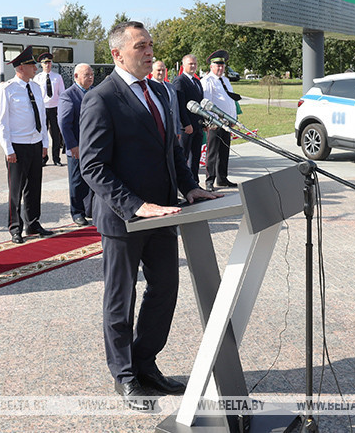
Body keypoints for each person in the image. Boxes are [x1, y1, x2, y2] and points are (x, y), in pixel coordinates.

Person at [80, 21, 219, 410]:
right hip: (124, 217)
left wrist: (189, 184)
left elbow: (171, 149)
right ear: (117, 54)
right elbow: (93, 166)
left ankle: (145, 363)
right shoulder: (101, 98)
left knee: (165, 291)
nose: (149, 51)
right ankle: (124, 377)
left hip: (164, 213)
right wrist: (135, 205)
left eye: (150, 45)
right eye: (140, 45)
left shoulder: (160, 91)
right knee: (120, 299)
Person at [0, 45, 53, 243]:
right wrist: (8, 149)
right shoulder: (7, 89)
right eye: (32, 65)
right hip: (17, 146)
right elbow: (1, 123)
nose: (36, 68)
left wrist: (45, 143)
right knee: (16, 189)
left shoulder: (36, 88)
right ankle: (14, 227)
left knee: (34, 186)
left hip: (35, 144)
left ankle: (33, 223)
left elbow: (42, 116)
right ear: (21, 68)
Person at [58, 63, 94, 227]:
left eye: (91, 74)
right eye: (86, 75)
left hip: (93, 146)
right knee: (77, 181)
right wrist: (73, 146)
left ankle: (89, 210)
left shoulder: (93, 93)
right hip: (77, 148)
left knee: (91, 179)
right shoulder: (68, 95)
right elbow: (64, 124)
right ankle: (77, 212)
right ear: (76, 76)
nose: (90, 77)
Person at [201, 49, 241, 192]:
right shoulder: (207, 81)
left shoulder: (225, 80)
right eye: (217, 65)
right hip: (215, 123)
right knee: (212, 152)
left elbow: (230, 100)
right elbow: (206, 102)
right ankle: (209, 180)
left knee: (224, 151)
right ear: (211, 66)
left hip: (227, 123)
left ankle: (222, 178)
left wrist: (233, 119)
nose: (220, 68)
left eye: (222, 65)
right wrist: (211, 120)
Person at [172, 54, 204, 181]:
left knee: (195, 157)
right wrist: (186, 124)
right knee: (183, 157)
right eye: (190, 64)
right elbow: (180, 105)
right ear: (183, 65)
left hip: (198, 125)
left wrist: (204, 123)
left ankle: (194, 182)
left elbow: (200, 103)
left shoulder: (196, 81)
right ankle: (182, 185)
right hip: (187, 127)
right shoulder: (179, 81)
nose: (193, 66)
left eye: (195, 64)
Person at [33, 52, 66, 166]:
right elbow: (36, 95)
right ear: (41, 65)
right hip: (43, 108)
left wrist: (62, 108)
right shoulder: (37, 78)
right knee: (43, 133)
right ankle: (43, 158)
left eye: (49, 62)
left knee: (56, 135)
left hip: (55, 108)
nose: (47, 65)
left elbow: (62, 93)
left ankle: (56, 158)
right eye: (45, 63)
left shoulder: (57, 77)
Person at [151, 60, 184, 144]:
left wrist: (177, 130)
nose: (161, 72)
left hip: (172, 131)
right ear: (152, 71)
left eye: (163, 70)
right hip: (158, 131)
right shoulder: (148, 87)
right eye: (158, 70)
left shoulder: (171, 87)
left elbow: (175, 109)